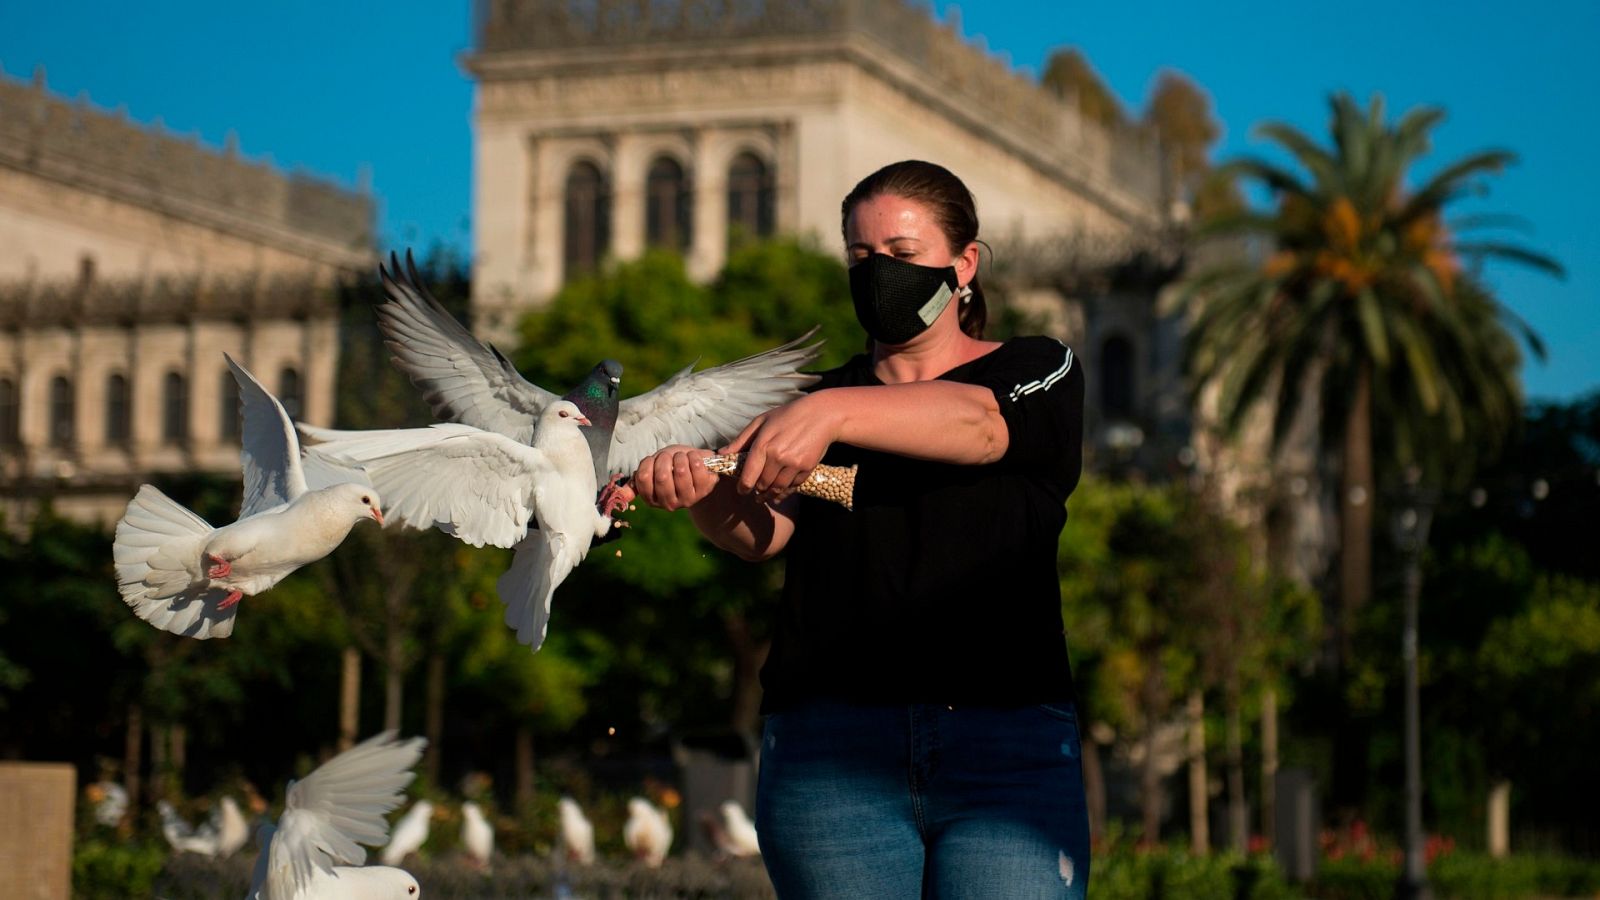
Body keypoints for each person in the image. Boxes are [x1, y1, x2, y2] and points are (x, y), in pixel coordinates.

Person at [631, 160, 1088, 899]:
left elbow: (979, 425)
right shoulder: (811, 407)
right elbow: (763, 532)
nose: (879, 273)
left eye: (902, 255)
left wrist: (829, 413)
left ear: (965, 263)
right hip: (830, 753)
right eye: (861, 257)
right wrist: (699, 489)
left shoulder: (1036, 367)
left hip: (1005, 745)